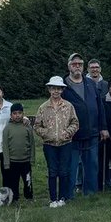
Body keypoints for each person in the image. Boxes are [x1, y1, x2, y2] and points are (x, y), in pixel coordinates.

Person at [62, 52, 104, 197]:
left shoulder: (91, 84)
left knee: (92, 164)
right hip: (71, 135)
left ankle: (90, 194)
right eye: (74, 64)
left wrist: (103, 127)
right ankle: (68, 194)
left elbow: (100, 107)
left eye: (80, 64)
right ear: (69, 66)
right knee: (70, 166)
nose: (77, 66)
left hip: (92, 132)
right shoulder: (62, 86)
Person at [34, 76, 79, 208]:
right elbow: (37, 126)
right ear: (49, 90)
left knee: (64, 171)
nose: (56, 91)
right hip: (49, 145)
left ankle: (63, 198)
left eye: (58, 89)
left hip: (65, 143)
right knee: (52, 171)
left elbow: (75, 123)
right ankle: (53, 199)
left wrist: (68, 132)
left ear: (62, 90)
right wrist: (46, 133)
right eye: (53, 88)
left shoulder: (68, 106)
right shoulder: (43, 107)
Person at [1, 102, 35, 202]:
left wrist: (32, 158)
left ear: (23, 114)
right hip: (13, 161)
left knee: (28, 180)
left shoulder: (27, 127)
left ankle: (29, 197)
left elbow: (32, 143)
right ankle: (14, 198)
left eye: (19, 113)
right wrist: (6, 162)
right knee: (14, 182)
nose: (17, 115)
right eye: (15, 113)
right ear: (11, 115)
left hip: (26, 161)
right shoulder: (7, 128)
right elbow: (5, 146)